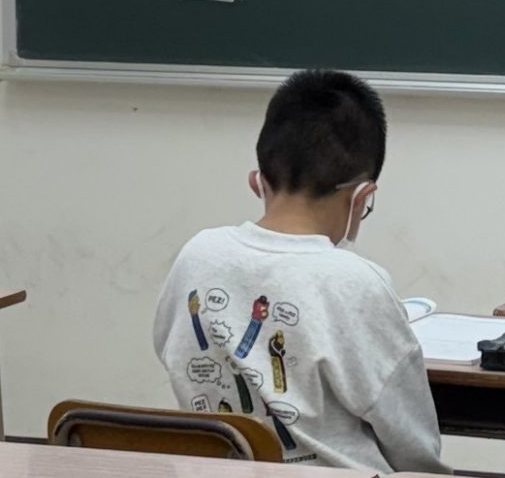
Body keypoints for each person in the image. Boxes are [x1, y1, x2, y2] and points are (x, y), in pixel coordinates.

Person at [152, 70, 446, 473]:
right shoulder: (358, 282)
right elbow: (413, 449)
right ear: (362, 197)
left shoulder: (196, 256)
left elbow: (169, 351)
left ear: (258, 182)